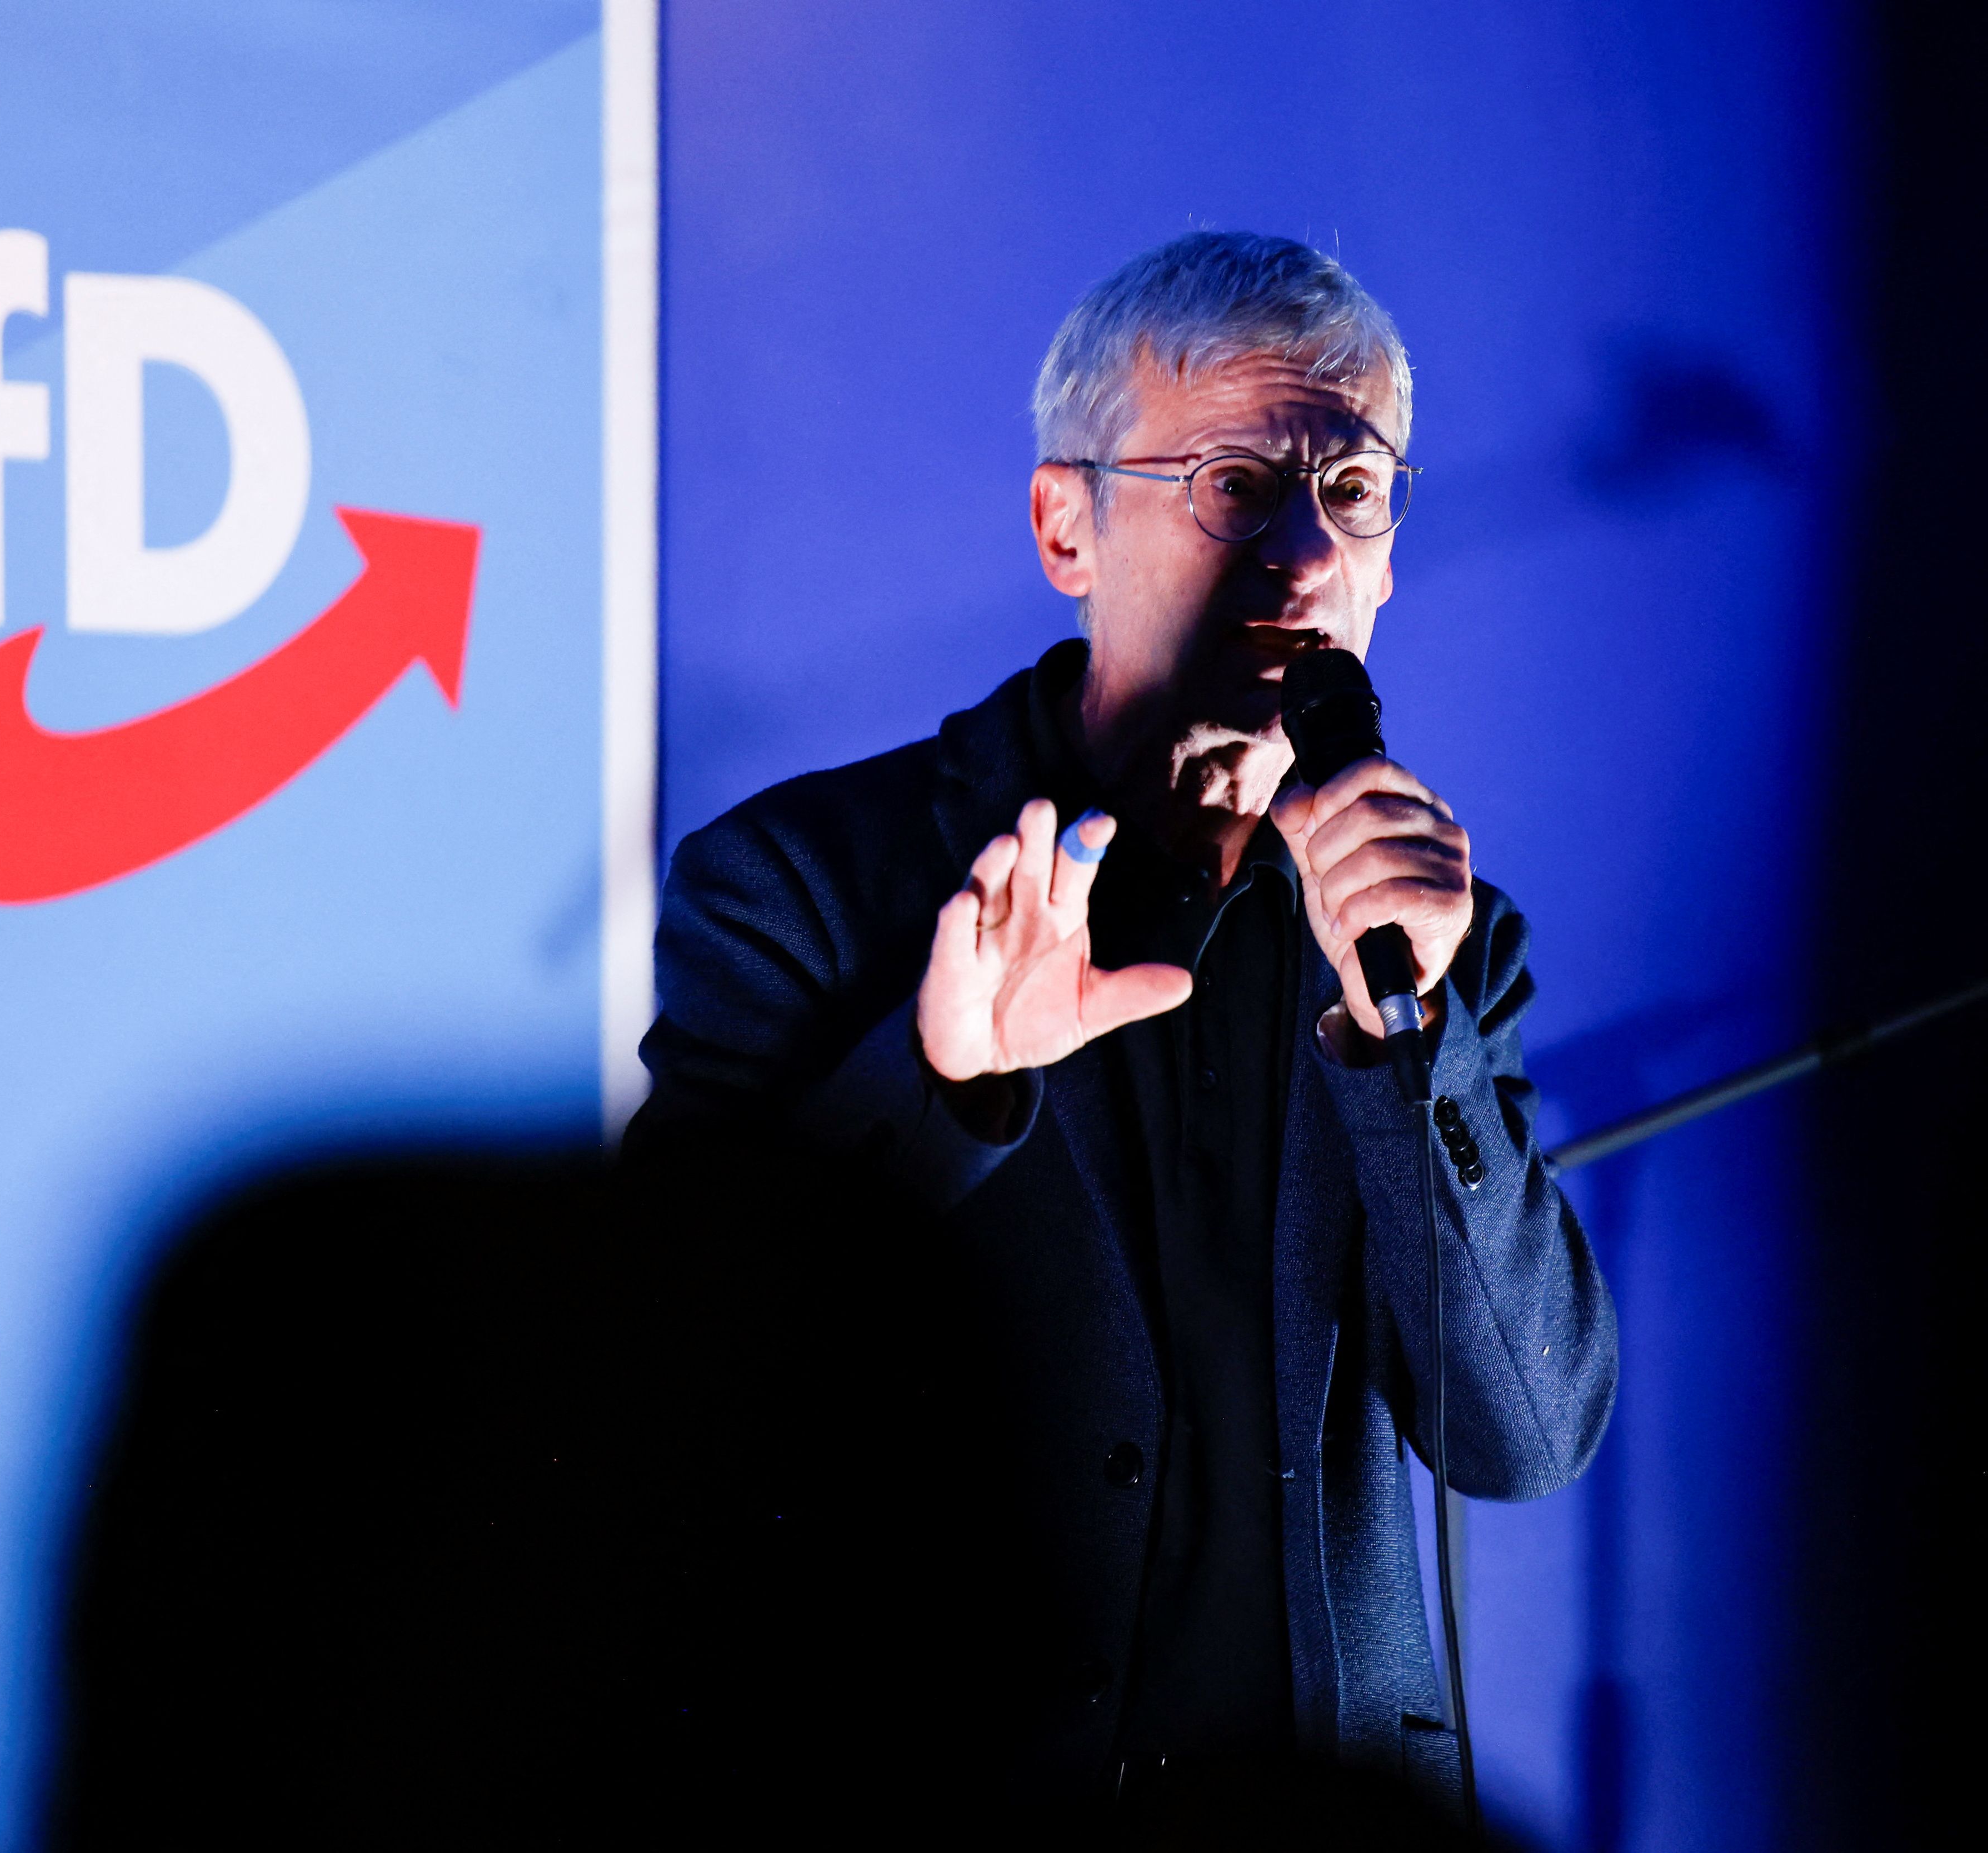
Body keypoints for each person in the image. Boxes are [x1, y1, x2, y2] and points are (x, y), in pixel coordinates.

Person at [630, 231, 1617, 1811]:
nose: (1304, 553)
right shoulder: (803, 884)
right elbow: (666, 1396)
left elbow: (1524, 1435)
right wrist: (940, 1082)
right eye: (1234, 482)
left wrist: (1400, 1044)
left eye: (1352, 492)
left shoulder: (1433, 936)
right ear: (1063, 525)